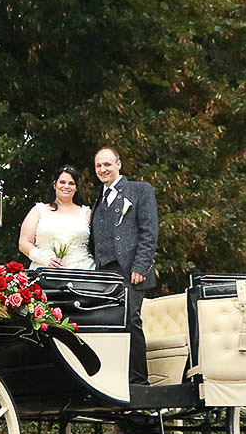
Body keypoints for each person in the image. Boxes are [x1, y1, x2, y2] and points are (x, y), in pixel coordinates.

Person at [89, 146, 159, 385]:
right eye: (98, 165)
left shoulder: (140, 190)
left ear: (119, 164)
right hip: (104, 272)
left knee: (131, 320)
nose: (102, 169)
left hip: (130, 270)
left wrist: (141, 266)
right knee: (107, 324)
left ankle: (139, 382)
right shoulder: (98, 201)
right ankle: (115, 380)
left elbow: (149, 232)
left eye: (107, 164)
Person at [18, 165, 96, 270]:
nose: (66, 186)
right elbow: (24, 242)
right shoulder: (38, 210)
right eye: (62, 182)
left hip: (82, 272)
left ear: (76, 187)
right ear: (55, 185)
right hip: (45, 272)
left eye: (71, 183)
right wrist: (44, 259)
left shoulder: (87, 213)